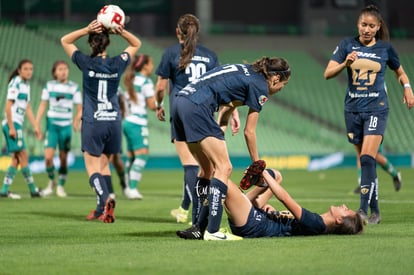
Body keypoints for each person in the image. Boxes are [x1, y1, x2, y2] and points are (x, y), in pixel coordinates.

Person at [173, 56, 291, 240]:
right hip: (198, 107)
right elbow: (249, 132)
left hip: (180, 102)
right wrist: (257, 166)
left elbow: (227, 102)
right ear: (276, 78)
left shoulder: (245, 71)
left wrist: (224, 123)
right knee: (225, 168)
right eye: (283, 84)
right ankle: (212, 231)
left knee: (207, 169)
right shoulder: (261, 86)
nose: (282, 88)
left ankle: (198, 227)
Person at [324, 5, 414, 224]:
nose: (367, 29)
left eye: (371, 26)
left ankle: (363, 210)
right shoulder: (346, 45)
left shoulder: (386, 49)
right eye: (363, 25)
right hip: (352, 110)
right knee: (366, 160)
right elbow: (327, 73)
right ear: (358, 24)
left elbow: (399, 72)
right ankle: (376, 211)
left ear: (378, 27)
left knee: (366, 157)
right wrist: (345, 62)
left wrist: (408, 87)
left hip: (377, 108)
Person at [61, 19, 141, 222]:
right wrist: (120, 31)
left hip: (94, 120)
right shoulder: (117, 62)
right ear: (108, 43)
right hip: (113, 121)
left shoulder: (86, 62)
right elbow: (136, 44)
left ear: (91, 43)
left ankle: (105, 199)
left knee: (91, 166)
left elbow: (65, 40)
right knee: (104, 165)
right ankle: (100, 208)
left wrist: (86, 28)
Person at [178, 160, 364, 239]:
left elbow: (284, 197)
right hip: (259, 218)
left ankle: (202, 229)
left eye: (347, 210)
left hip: (254, 223)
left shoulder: (317, 223)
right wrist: (272, 211)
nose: (344, 206)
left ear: (339, 220)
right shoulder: (318, 222)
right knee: (278, 176)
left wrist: (264, 174)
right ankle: (247, 188)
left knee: (221, 177)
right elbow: (285, 218)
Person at [155, 13, 220, 224]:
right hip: (205, 111)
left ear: (177, 32)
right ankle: (187, 209)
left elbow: (160, 87)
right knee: (206, 166)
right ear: (197, 32)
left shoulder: (172, 53)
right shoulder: (210, 56)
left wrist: (158, 105)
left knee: (190, 165)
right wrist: (232, 112)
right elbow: (220, 85)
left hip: (181, 109)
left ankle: (196, 217)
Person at [35, 60, 82, 198]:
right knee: (48, 158)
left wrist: (76, 120)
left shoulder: (74, 87)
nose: (63, 71)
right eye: (60, 69)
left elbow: (80, 108)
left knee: (63, 158)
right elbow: (43, 105)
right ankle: (51, 182)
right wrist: (37, 123)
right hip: (52, 125)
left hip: (65, 126)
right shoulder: (49, 86)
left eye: (65, 69)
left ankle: (61, 186)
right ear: (55, 72)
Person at [0, 59, 44, 199]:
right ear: (19, 70)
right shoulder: (16, 83)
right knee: (24, 156)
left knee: (16, 159)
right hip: (12, 124)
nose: (29, 71)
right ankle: (33, 190)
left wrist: (36, 126)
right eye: (25, 69)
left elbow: (28, 108)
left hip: (16, 124)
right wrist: (12, 127)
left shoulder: (26, 85)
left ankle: (4, 190)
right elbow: (8, 106)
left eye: (31, 69)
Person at [122, 54, 156, 199]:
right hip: (137, 122)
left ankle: (127, 186)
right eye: (151, 63)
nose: (153, 66)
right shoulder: (146, 82)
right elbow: (151, 105)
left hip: (126, 121)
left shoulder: (131, 79)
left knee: (131, 156)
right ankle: (133, 188)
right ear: (145, 66)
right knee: (142, 155)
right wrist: (159, 102)